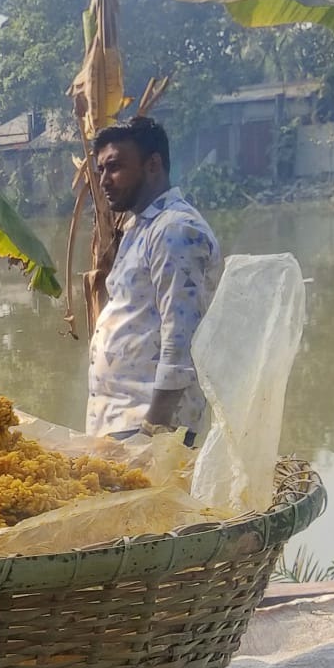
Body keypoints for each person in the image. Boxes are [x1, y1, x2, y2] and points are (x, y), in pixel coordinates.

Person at [87, 115, 223, 441]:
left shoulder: (175, 230)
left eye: (115, 167)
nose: (104, 180)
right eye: (101, 170)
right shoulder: (140, 228)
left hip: (149, 427)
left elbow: (182, 339)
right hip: (121, 420)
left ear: (153, 165)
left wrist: (152, 430)